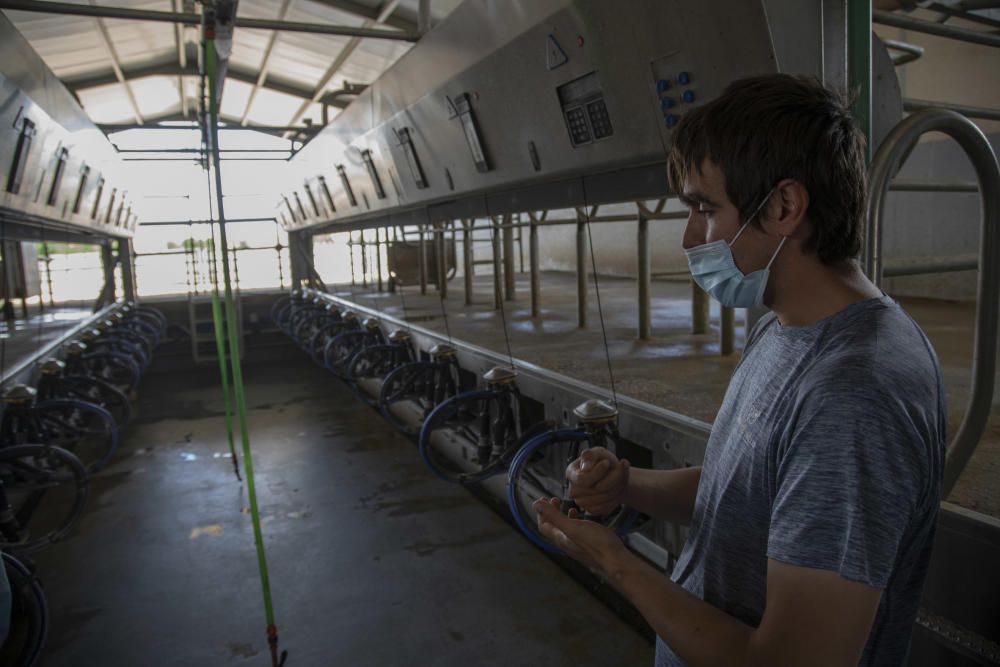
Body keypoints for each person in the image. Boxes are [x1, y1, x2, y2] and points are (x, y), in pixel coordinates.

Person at [533, 74, 945, 666]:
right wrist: (628, 487)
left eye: (704, 208)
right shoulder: (783, 328)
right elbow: (746, 491)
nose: (688, 237)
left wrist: (613, 561)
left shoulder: (854, 394)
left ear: (783, 207)